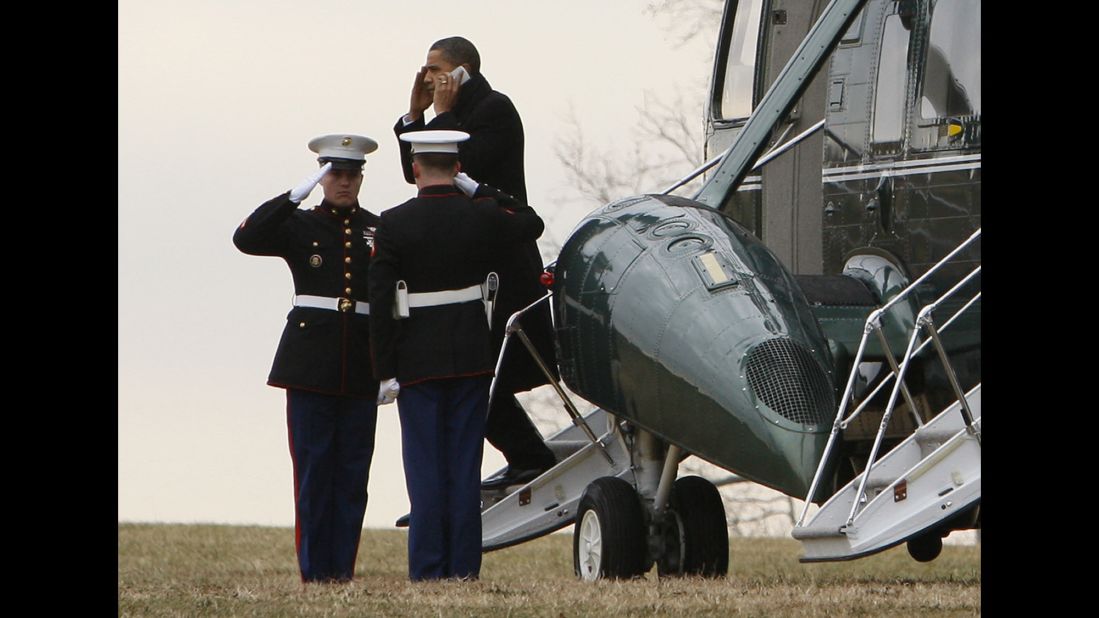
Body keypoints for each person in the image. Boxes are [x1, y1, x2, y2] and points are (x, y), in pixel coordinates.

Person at [369, 130, 546, 581]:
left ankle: (429, 570)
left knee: (426, 471)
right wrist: (479, 190)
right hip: (471, 356)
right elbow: (530, 223)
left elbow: (380, 300)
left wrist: (384, 370)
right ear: (458, 168)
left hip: (417, 362)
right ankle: (464, 569)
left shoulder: (393, 223)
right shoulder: (480, 216)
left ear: (414, 169)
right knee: (464, 469)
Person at [395, 35, 557, 491]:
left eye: (435, 68)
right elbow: (419, 172)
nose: (427, 76)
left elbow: (461, 167)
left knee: (486, 369)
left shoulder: (493, 109)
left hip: (502, 265)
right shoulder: (451, 115)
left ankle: (529, 456)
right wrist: (414, 116)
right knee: (471, 371)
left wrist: (441, 116)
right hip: (465, 263)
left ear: (462, 71)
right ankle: (526, 454)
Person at [233, 134, 382, 583]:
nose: (344, 182)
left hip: (361, 361)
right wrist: (294, 194)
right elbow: (247, 237)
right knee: (315, 472)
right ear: (322, 177)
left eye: (352, 174)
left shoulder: (378, 228)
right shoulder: (300, 224)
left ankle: (343, 570)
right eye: (335, 174)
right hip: (310, 362)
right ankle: (316, 573)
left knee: (353, 473)